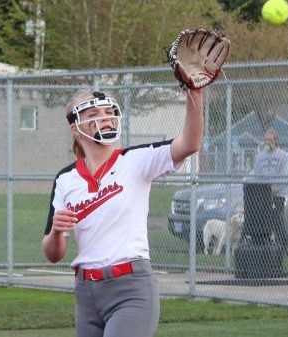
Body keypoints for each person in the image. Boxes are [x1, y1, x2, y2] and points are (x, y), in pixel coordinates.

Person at [41, 87, 204, 337]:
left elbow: (190, 143)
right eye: (93, 113)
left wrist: (195, 93)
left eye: (109, 111)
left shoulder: (136, 160)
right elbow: (53, 254)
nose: (105, 117)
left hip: (130, 288)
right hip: (86, 293)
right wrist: (56, 233)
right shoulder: (66, 179)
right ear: (75, 128)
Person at [253, 128, 288, 248]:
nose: (267, 143)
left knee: (277, 220)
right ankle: (265, 245)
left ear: (276, 140)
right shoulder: (259, 156)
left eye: (270, 140)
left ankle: (281, 247)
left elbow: (284, 176)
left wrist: (274, 188)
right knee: (263, 221)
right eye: (266, 140)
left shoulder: (282, 156)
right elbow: (256, 175)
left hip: (277, 196)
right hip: (262, 195)